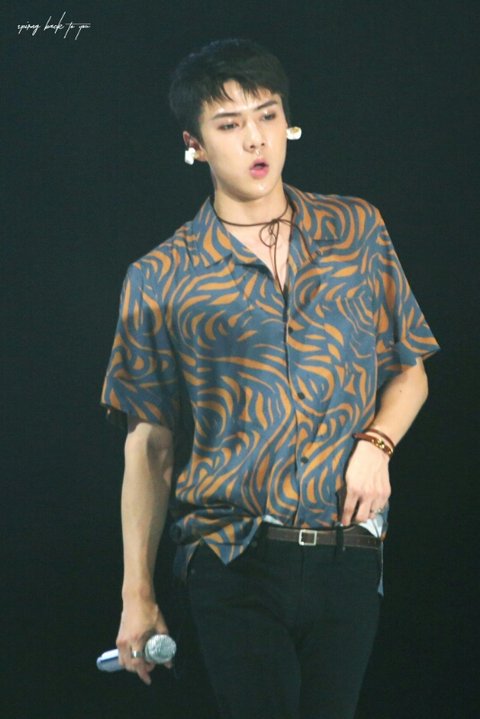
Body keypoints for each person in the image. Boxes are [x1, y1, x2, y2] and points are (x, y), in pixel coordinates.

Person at [101, 39, 440, 719]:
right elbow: (150, 444)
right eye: (229, 124)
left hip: (349, 551)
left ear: (288, 121)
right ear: (195, 144)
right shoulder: (161, 276)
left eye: (267, 115)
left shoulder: (356, 228)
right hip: (233, 555)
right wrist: (137, 593)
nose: (255, 138)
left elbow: (410, 370)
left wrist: (376, 444)